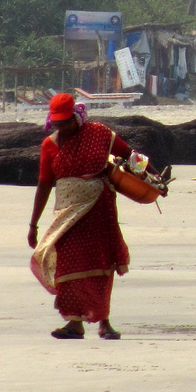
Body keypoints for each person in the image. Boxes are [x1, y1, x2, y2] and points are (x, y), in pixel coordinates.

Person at [28, 93, 155, 340]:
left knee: (101, 264)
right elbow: (44, 184)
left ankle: (104, 322)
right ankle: (75, 323)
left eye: (66, 121)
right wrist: (33, 224)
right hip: (67, 213)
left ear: (77, 117)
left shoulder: (99, 134)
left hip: (99, 208)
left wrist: (153, 176)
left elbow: (130, 155)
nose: (62, 127)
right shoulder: (50, 146)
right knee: (68, 264)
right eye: (58, 123)